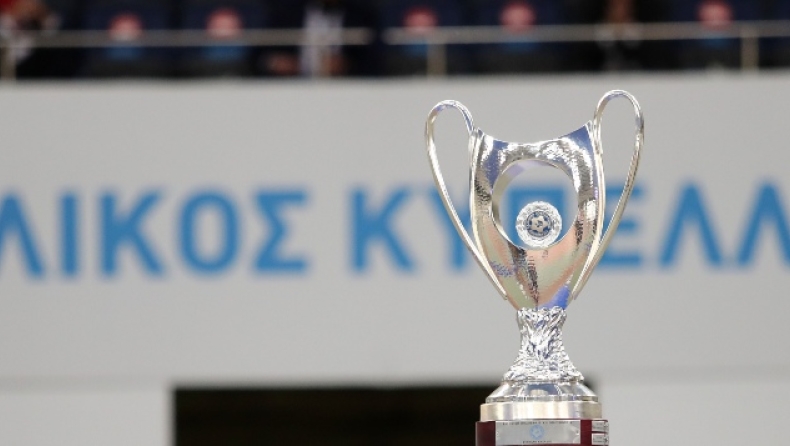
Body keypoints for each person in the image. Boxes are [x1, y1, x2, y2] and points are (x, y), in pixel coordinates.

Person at [264, 0, 381, 77]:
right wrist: (276, 63)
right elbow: (261, 56)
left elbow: (375, 60)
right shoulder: (286, 12)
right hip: (290, 88)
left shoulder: (362, 15)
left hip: (346, 89)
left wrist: (347, 65)